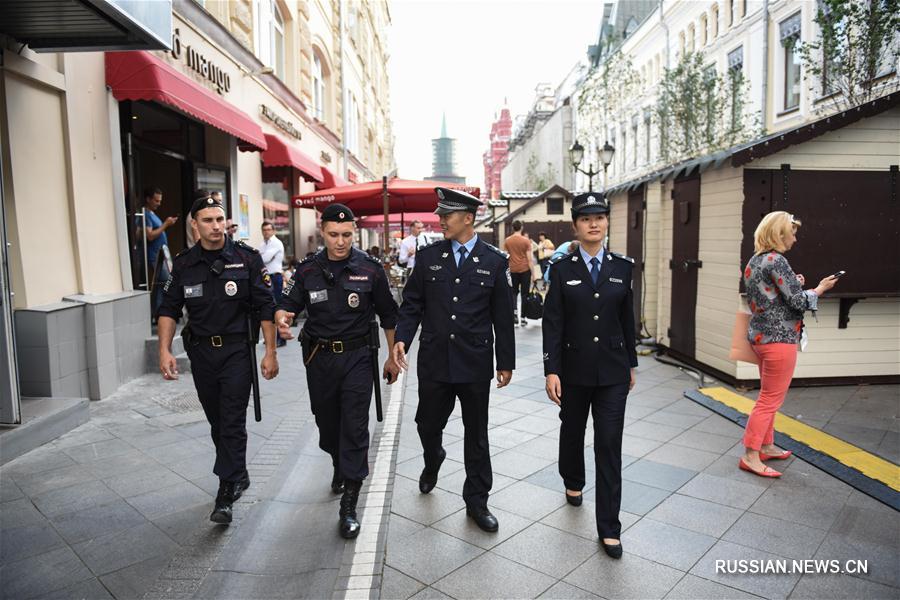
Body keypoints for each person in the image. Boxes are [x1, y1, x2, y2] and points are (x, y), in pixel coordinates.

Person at [392, 187, 515, 533]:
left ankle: (477, 500)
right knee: (426, 424)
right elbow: (413, 302)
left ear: (468, 218)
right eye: (440, 213)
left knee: (476, 434)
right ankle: (434, 458)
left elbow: (503, 317)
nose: (440, 220)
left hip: (474, 361)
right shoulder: (429, 257)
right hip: (434, 360)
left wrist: (505, 361)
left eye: (447, 214)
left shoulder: (494, 261)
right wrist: (402, 338)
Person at [276, 203, 400, 539]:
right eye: (334, 235)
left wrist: (392, 355)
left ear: (354, 232)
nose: (341, 241)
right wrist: (282, 319)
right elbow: (287, 304)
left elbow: (389, 315)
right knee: (327, 423)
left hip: (359, 357)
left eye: (347, 234)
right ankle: (337, 460)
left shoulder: (370, 269)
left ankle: (349, 503)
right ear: (323, 233)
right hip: (320, 358)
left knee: (356, 426)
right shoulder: (306, 270)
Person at [157, 193, 279, 525]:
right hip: (201, 353)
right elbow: (168, 309)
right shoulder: (183, 264)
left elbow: (265, 307)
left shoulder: (247, 258)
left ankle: (225, 492)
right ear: (194, 225)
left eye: (219, 219)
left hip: (238, 352)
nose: (215, 226)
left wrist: (269, 352)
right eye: (207, 220)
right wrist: (164, 349)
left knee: (231, 419)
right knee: (217, 422)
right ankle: (238, 472)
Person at [542, 192, 638, 559]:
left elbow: (627, 320)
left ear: (607, 222)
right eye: (586, 218)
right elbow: (553, 322)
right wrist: (552, 369)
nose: (594, 223)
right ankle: (573, 478)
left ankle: (609, 528)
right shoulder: (562, 268)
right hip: (574, 370)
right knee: (572, 430)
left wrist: (631, 363)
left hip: (613, 372)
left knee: (609, 444)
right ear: (576, 226)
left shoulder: (622, 268)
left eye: (599, 217)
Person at [740, 212, 838, 478]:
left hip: (760, 337)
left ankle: (767, 445)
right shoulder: (778, 260)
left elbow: (769, 296)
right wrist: (819, 289)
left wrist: (794, 283)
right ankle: (751, 454)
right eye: (792, 232)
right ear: (779, 234)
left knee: (768, 394)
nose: (795, 238)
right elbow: (797, 302)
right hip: (779, 339)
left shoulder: (755, 261)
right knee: (770, 399)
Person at [139, 187, 178, 319]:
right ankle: (160, 313)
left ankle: (159, 313)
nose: (158, 203)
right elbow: (149, 236)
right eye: (156, 200)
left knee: (162, 285)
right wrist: (166, 224)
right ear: (148, 199)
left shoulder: (153, 214)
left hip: (161, 255)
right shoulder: (145, 215)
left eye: (160, 201)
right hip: (155, 256)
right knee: (166, 281)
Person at [259, 221, 286, 347]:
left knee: (277, 308)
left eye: (269, 229)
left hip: (275, 278)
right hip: (267, 278)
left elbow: (264, 259)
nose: (266, 232)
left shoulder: (276, 243)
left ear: (273, 231)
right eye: (264, 230)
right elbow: (257, 258)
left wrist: (261, 255)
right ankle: (273, 338)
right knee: (269, 308)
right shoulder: (263, 244)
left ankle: (281, 338)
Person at [503, 220, 533, 326]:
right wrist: (533, 274)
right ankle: (523, 317)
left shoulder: (507, 240)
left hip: (512, 269)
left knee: (513, 293)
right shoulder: (526, 241)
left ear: (512, 228)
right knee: (525, 294)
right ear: (521, 227)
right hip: (525, 269)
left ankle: (514, 315)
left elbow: (505, 257)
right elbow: (530, 258)